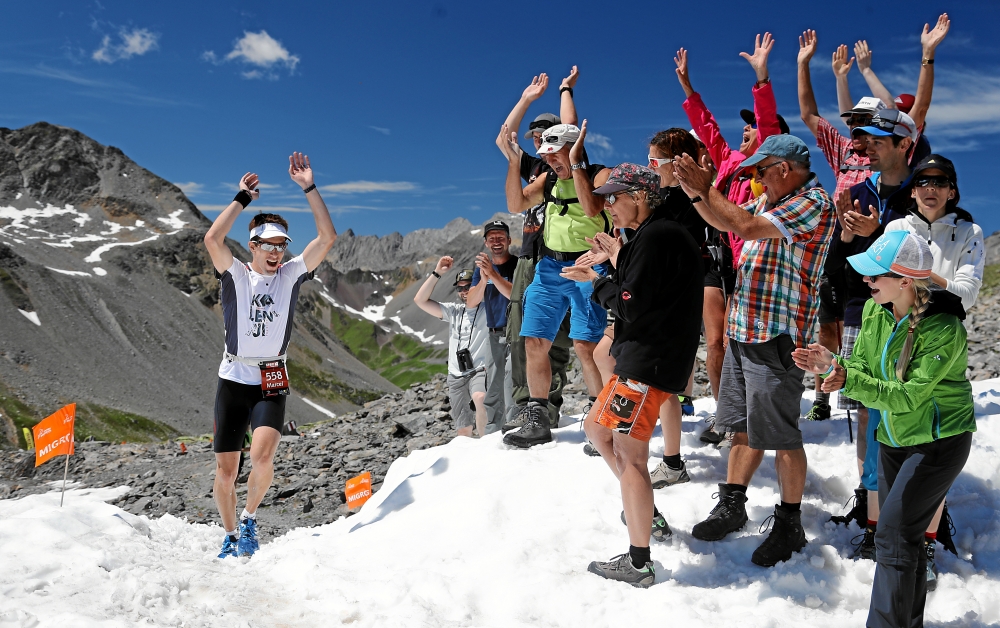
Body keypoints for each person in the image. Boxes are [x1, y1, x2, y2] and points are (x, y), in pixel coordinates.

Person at [793, 230, 974, 628]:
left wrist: (848, 380)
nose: (866, 280)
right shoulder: (877, 311)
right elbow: (863, 367)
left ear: (906, 280)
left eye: (875, 275)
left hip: (938, 443)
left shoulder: (944, 328)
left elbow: (909, 396)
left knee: (892, 537)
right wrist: (834, 364)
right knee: (903, 541)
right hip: (893, 439)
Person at [674, 134, 835, 567]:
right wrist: (696, 193)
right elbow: (728, 220)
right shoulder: (772, 200)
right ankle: (733, 503)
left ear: (784, 169)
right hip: (747, 331)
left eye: (762, 171)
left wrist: (705, 188)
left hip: (777, 336)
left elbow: (743, 226)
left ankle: (789, 523)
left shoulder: (812, 203)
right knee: (742, 429)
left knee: (781, 435)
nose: (757, 180)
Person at [562, 163, 703, 588]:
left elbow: (629, 304)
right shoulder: (654, 234)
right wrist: (614, 262)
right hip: (646, 358)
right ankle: (646, 510)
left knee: (632, 457)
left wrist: (596, 279)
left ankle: (640, 562)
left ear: (639, 196)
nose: (608, 205)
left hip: (648, 362)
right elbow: (643, 290)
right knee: (596, 429)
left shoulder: (656, 235)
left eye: (614, 197)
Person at [203, 153, 338, 559]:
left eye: (282, 245)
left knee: (262, 458)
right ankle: (229, 534)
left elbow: (327, 238)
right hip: (233, 377)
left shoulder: (292, 274)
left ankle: (248, 521)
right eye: (269, 245)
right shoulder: (235, 273)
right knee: (226, 471)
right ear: (254, 245)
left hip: (271, 378)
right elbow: (212, 240)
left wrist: (309, 187)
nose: (277, 252)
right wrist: (242, 198)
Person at [880, 154, 984, 588]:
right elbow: (884, 278)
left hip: (940, 341)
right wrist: (933, 282)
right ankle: (890, 530)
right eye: (922, 180)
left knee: (933, 436)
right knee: (893, 432)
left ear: (952, 191)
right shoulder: (896, 227)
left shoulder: (969, 232)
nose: (930, 188)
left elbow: (967, 294)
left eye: (940, 182)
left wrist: (915, 277)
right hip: (894, 335)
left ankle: (923, 540)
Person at [674, 35, 784, 445]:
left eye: (751, 128)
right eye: (745, 128)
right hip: (721, 260)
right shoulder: (730, 163)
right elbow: (708, 129)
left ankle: (757, 415)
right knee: (717, 342)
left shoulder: (769, 169)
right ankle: (726, 416)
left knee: (747, 344)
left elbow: (768, 126)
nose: (746, 132)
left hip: (756, 264)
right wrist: (688, 89)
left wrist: (762, 79)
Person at [825, 109, 917, 550]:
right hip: (862, 311)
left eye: (877, 140)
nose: (865, 148)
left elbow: (924, 259)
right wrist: (845, 238)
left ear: (904, 144)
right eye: (864, 140)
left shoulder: (923, 191)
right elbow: (834, 267)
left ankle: (914, 503)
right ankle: (870, 498)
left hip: (911, 316)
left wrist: (879, 231)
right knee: (866, 408)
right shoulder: (859, 193)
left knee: (908, 406)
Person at [497, 120, 611, 448]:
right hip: (549, 267)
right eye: (546, 155)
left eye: (555, 153)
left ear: (574, 150)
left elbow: (592, 207)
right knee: (534, 341)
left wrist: (575, 166)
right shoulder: (548, 179)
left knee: (586, 346)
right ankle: (538, 416)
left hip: (587, 266)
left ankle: (601, 420)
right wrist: (513, 163)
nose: (548, 160)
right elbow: (516, 204)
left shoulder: (599, 175)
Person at [796, 29, 886, 423]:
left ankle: (869, 392)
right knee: (828, 324)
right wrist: (805, 65)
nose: (857, 130)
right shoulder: (845, 150)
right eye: (854, 124)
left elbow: (908, 118)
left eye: (866, 125)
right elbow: (809, 115)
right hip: (838, 245)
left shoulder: (888, 155)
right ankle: (823, 395)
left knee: (867, 320)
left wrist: (861, 73)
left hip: (875, 246)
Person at [497, 68, 580, 429]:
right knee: (523, 332)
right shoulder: (532, 166)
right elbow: (503, 138)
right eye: (535, 134)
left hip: (557, 257)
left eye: (545, 133)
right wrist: (526, 98)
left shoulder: (564, 167)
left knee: (555, 334)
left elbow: (570, 129)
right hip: (529, 257)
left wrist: (564, 90)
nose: (538, 139)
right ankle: (525, 404)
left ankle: (549, 405)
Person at [644, 128, 712, 486]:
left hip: (676, 297)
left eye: (654, 161)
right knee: (662, 382)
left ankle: (669, 461)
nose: (649, 167)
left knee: (663, 380)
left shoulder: (693, 198)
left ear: (677, 162)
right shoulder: (667, 196)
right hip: (665, 294)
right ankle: (667, 459)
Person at [845, 14, 951, 167]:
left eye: (902, 115)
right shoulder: (879, 141)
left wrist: (928, 53)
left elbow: (921, 105)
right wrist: (862, 72)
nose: (893, 118)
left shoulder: (909, 140)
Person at [414, 259, 490, 438]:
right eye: (460, 288)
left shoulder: (489, 309)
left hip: (479, 370)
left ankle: (486, 444)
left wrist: (486, 279)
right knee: (463, 428)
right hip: (455, 374)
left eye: (468, 286)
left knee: (480, 398)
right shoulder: (453, 311)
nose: (464, 291)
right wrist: (437, 272)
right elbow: (420, 300)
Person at [466, 220, 518, 433]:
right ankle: (492, 431)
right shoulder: (481, 269)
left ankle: (514, 427)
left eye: (501, 238)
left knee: (512, 380)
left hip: (516, 331)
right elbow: (471, 301)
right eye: (492, 239)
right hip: (493, 333)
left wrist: (493, 275)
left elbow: (516, 295)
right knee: (493, 384)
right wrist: (483, 279)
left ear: (509, 240)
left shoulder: (518, 264)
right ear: (486, 243)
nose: (496, 242)